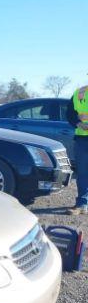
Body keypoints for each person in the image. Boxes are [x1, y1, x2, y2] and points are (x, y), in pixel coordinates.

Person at [67, 86, 88, 215]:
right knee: (83, 173)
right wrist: (79, 123)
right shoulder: (79, 93)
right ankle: (82, 204)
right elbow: (70, 114)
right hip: (82, 139)